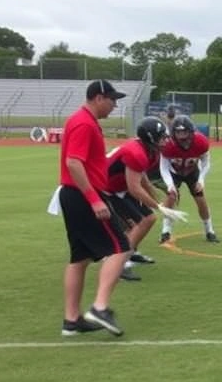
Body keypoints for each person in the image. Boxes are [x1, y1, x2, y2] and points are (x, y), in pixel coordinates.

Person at [55, 79, 129, 337]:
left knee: (80, 258)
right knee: (121, 247)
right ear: (99, 97)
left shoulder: (83, 121)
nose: (114, 105)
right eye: (112, 99)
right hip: (84, 195)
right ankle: (100, 307)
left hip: (74, 195)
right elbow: (74, 163)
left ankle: (71, 320)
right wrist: (94, 199)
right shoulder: (84, 123)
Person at [104, 116, 170, 281]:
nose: (165, 140)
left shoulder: (150, 151)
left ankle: (130, 253)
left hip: (120, 187)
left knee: (146, 219)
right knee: (142, 221)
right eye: (161, 136)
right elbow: (134, 188)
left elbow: (143, 178)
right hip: (106, 188)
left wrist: (157, 199)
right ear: (151, 137)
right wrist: (158, 206)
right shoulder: (136, 152)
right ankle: (119, 265)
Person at [159, 115, 219, 244]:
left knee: (201, 200)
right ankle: (166, 231)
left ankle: (209, 230)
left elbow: (206, 162)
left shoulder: (200, 142)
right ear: (173, 133)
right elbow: (163, 167)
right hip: (173, 171)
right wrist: (170, 185)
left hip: (192, 171)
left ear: (191, 132)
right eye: (178, 132)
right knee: (170, 197)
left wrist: (201, 180)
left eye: (185, 132)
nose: (182, 137)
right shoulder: (168, 144)